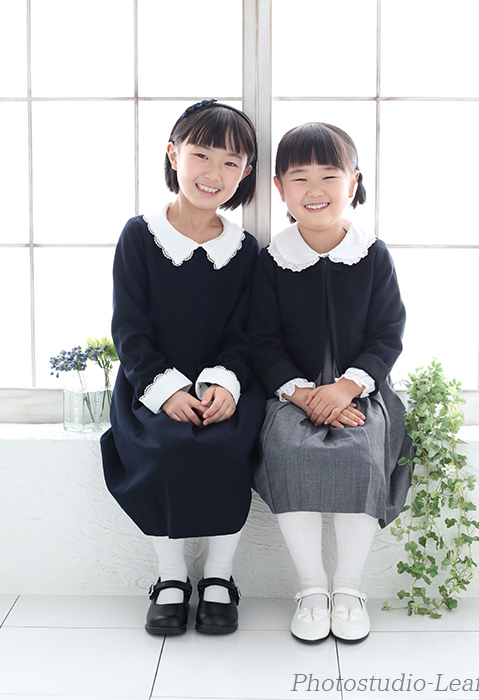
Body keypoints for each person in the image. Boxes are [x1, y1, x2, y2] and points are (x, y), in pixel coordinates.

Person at [101, 100, 265, 637]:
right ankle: (171, 577)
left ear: (245, 173)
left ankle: (219, 576)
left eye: (230, 162)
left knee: (226, 446)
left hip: (225, 383)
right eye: (202, 155)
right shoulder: (140, 235)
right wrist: (164, 389)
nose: (213, 173)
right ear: (174, 155)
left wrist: (224, 383)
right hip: (149, 382)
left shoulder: (244, 250)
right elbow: (128, 327)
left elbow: (244, 333)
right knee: (165, 445)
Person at [247, 122, 411, 644]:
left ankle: (349, 588)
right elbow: (261, 339)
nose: (314, 190)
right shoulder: (272, 259)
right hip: (290, 390)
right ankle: (312, 588)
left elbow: (388, 332)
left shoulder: (372, 254)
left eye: (329, 175)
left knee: (362, 448)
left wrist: (346, 388)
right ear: (280, 188)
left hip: (361, 388)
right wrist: (300, 393)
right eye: (300, 178)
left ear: (353, 181)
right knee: (288, 446)